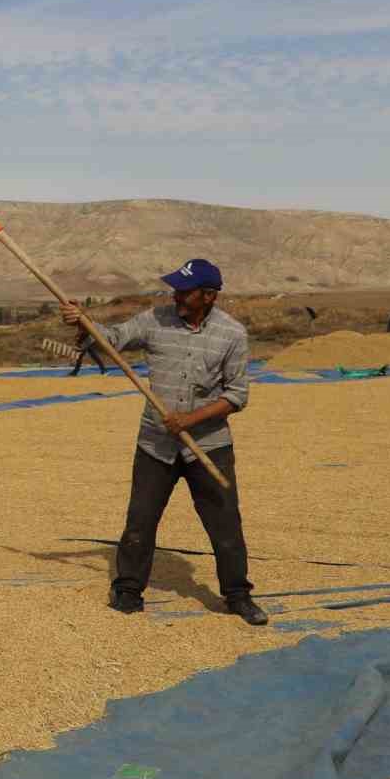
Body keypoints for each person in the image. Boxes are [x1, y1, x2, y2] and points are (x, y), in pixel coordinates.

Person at [60, 258, 267, 626]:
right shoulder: (155, 320)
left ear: (209, 295)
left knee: (225, 525)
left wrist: (190, 419)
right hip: (155, 445)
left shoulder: (231, 334)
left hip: (209, 445)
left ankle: (238, 595)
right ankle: (127, 590)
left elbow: (237, 395)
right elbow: (112, 341)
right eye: (176, 288)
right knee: (140, 521)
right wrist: (84, 324)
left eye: (185, 290)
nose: (177, 295)